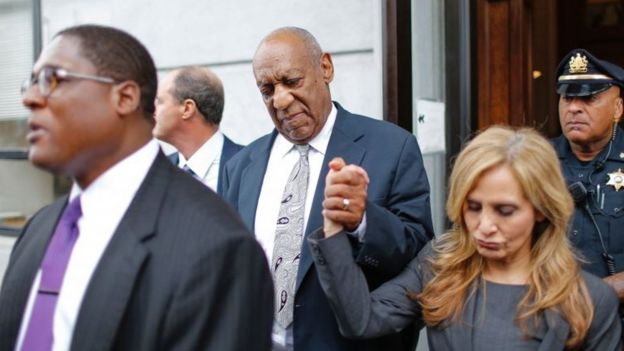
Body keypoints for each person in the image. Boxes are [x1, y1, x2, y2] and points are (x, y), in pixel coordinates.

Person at [0, 24, 273, 351]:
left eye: (52, 79)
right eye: (30, 83)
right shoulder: (40, 229)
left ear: (125, 97)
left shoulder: (218, 251)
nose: (30, 99)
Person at [309, 126, 622, 350]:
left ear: (541, 209)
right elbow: (361, 320)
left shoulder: (590, 301)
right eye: (473, 207)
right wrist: (335, 225)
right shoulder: (439, 265)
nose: (484, 225)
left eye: (505, 210)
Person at [223, 27, 434, 351]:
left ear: (325, 68)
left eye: (291, 82)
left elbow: (417, 252)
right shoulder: (241, 166)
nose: (280, 99)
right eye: (267, 89)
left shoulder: (392, 147)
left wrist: (363, 221)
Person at [551, 49, 624, 298]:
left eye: (588, 99)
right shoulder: (537, 162)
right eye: (567, 98)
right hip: (548, 320)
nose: (574, 108)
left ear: (617, 108)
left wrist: (596, 295)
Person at [153, 66, 242, 195]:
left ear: (187, 109)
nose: (151, 110)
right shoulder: (157, 171)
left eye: (159, 102)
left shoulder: (250, 166)